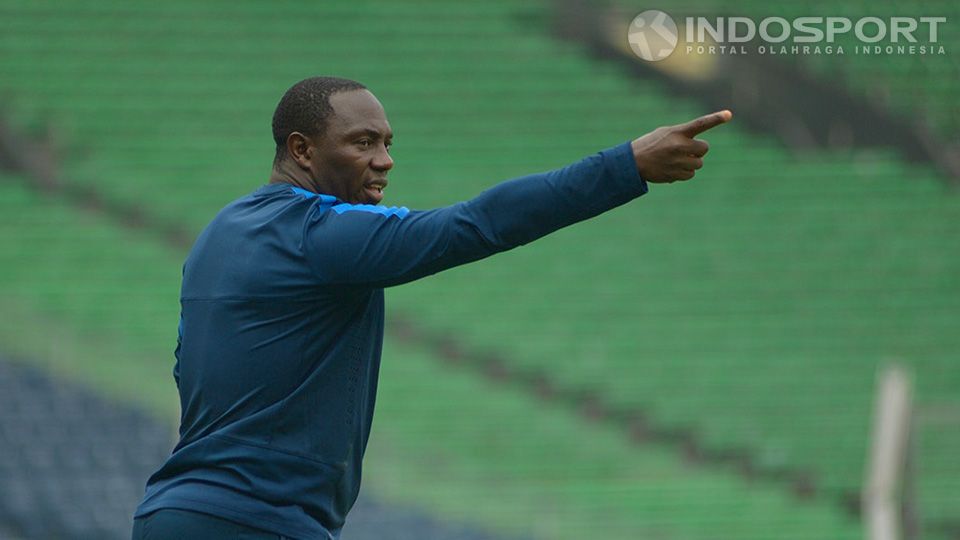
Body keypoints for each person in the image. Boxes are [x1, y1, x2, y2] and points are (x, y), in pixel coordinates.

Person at [132, 76, 732, 539]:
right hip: (256, 522)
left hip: (171, 514)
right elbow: (474, 225)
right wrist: (624, 167)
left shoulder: (219, 234)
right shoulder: (323, 233)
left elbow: (188, 366)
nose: (385, 160)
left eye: (388, 143)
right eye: (362, 143)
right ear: (302, 149)